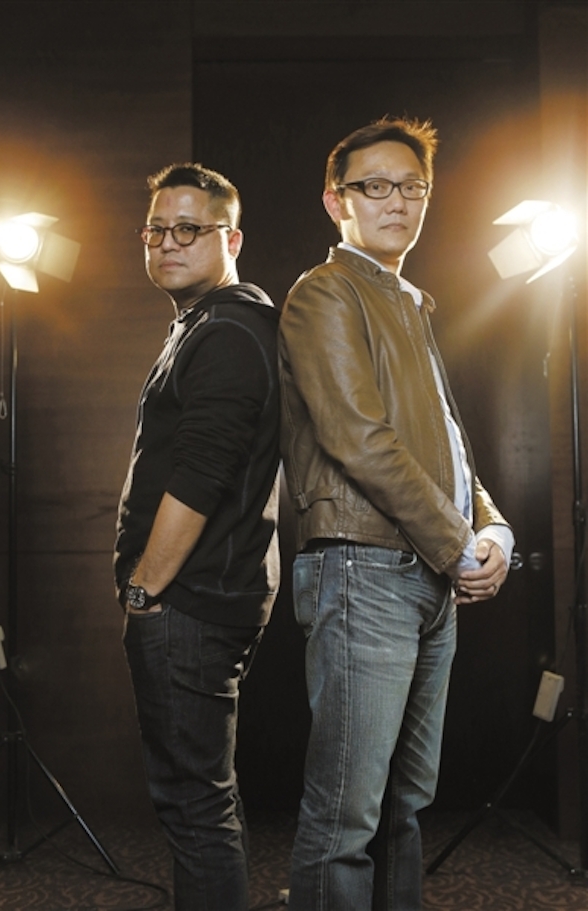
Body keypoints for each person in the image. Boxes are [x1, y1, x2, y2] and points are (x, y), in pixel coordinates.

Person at [279, 117, 514, 911]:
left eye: (412, 186)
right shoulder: (326, 292)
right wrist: (459, 546)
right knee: (347, 813)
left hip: (422, 572)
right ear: (335, 200)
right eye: (374, 186)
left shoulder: (409, 303)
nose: (397, 201)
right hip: (363, 567)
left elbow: (446, 446)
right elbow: (358, 437)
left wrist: (492, 528)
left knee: (402, 806)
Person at [114, 162, 280, 911]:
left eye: (189, 229)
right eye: (156, 230)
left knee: (194, 805)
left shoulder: (229, 331)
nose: (168, 243)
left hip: (191, 602)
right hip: (199, 599)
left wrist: (145, 590)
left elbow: (201, 478)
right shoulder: (205, 325)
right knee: (202, 798)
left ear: (231, 239)